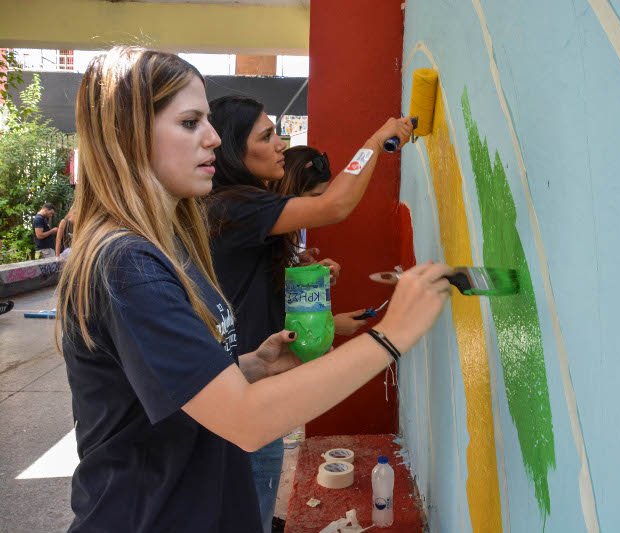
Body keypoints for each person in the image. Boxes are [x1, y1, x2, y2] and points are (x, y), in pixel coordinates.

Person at [56, 46, 450, 533]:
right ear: (128, 137)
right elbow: (244, 421)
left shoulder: (169, 245)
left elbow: (162, 389)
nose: (213, 139)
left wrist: (250, 366)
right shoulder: (127, 265)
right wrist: (392, 335)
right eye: (190, 123)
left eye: (209, 121)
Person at [206, 96, 413, 532]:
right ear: (232, 153)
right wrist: (377, 141)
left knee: (253, 501)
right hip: (242, 382)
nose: (281, 143)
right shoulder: (230, 205)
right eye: (266, 136)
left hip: (253, 374)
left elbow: (248, 285)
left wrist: (303, 277)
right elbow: (336, 205)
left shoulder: (239, 203)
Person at [270, 145, 371, 337]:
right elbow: (269, 318)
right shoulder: (265, 238)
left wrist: (301, 273)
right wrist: (331, 326)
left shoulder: (280, 237)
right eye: (316, 199)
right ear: (290, 193)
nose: (320, 208)